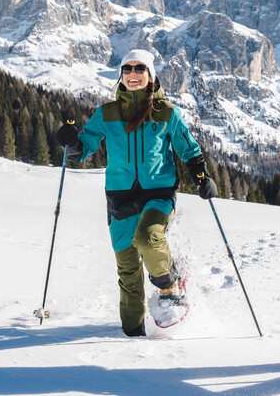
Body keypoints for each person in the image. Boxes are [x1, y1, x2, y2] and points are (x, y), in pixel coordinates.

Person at [55, 49, 217, 337]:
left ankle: (170, 285)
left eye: (139, 68)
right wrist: (71, 142)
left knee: (148, 237)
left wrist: (201, 176)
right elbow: (83, 149)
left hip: (158, 194)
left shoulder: (166, 113)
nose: (132, 74)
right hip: (119, 198)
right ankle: (132, 335)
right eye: (127, 69)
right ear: (121, 75)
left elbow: (188, 149)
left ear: (150, 75)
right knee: (128, 271)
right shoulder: (107, 113)